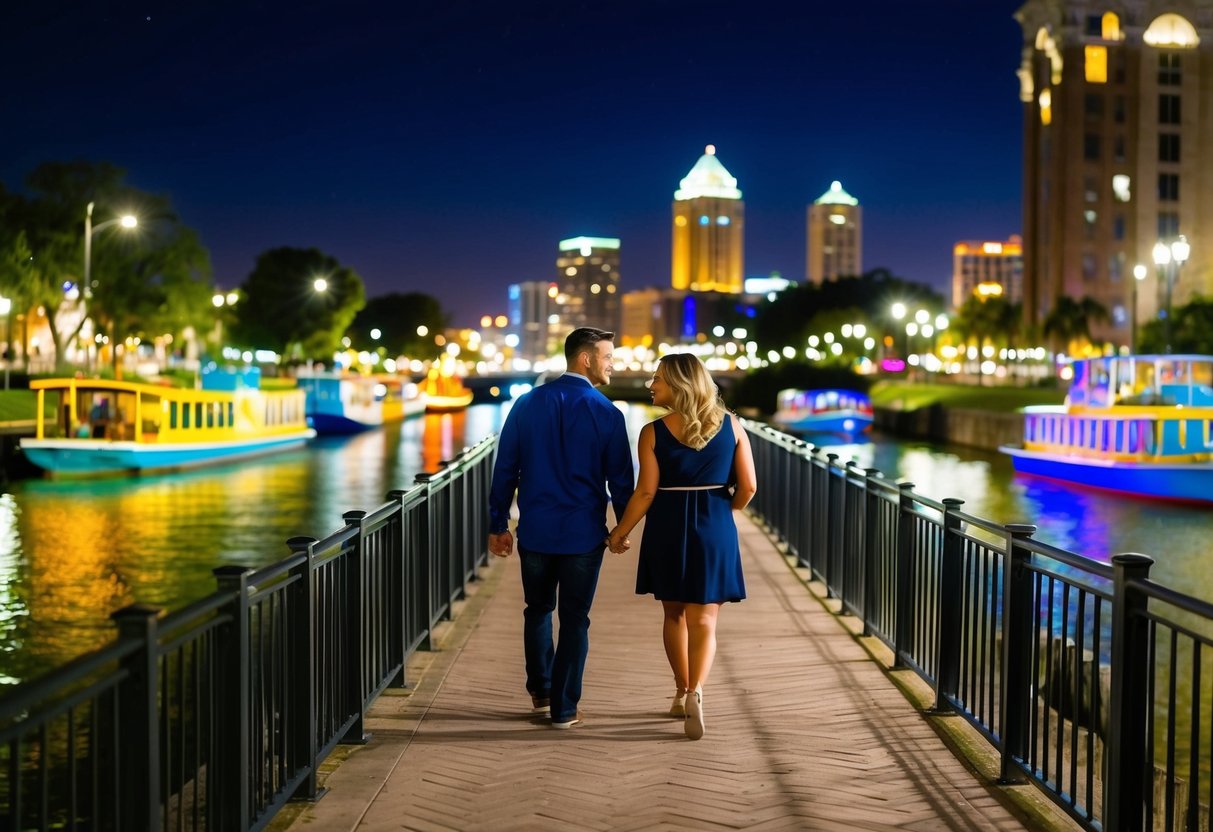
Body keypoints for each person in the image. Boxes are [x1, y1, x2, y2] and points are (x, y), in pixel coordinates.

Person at [487, 327, 634, 729]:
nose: (612, 364)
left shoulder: (526, 404)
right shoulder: (607, 413)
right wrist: (622, 528)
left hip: (535, 532)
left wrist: (498, 523)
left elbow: (505, 470)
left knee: (537, 610)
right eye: (607, 356)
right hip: (583, 536)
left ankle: (541, 692)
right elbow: (621, 482)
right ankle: (564, 709)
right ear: (585, 359)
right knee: (575, 619)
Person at [607, 353, 756, 740]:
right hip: (715, 525)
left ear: (678, 384)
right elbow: (750, 486)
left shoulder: (653, 432)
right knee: (705, 618)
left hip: (668, 526)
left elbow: (645, 492)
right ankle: (696, 692)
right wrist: (724, 511)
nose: (650, 385)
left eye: (657, 379)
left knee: (673, 614)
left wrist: (619, 532)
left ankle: (679, 690)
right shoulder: (733, 426)